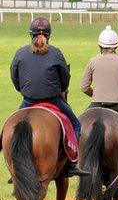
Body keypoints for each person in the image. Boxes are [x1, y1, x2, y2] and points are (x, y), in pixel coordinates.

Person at [10, 17, 88, 177]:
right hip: (53, 100)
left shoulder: (20, 52)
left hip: (28, 101)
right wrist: (60, 88)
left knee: (9, 127)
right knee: (76, 126)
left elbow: (14, 75)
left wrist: (23, 89)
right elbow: (65, 77)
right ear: (49, 35)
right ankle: (72, 164)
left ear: (30, 35)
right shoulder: (56, 53)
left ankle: (12, 166)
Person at [81, 26, 118, 134]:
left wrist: (96, 94)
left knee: (78, 128)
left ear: (100, 45)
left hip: (96, 103)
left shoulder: (93, 61)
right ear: (116, 45)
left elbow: (84, 87)